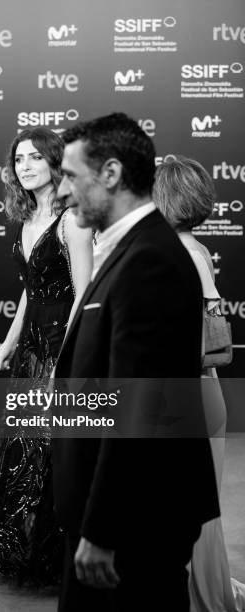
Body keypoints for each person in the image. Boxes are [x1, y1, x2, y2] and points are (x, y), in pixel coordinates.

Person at [52, 113, 220, 611]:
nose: (62, 192)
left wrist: (101, 530)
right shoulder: (133, 248)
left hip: (133, 522)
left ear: (110, 174)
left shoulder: (150, 259)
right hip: (120, 513)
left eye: (70, 175)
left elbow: (140, 411)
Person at [0, 127, 93, 586]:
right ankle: (20, 552)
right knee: (20, 451)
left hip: (60, 348)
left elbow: (83, 294)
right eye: (19, 159)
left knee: (52, 454)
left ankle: (58, 558)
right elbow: (30, 291)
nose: (25, 166)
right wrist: (9, 341)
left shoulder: (73, 220)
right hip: (31, 350)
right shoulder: (25, 220)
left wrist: (69, 357)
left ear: (55, 163)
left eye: (35, 157)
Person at [153, 155, 245, 612]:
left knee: (185, 513)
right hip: (201, 394)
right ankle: (206, 592)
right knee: (196, 512)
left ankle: (203, 597)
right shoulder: (196, 248)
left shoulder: (179, 254)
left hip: (182, 396)